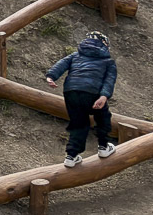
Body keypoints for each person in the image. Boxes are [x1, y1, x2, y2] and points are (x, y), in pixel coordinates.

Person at [45, 31, 118, 167]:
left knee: (78, 123)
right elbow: (109, 80)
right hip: (92, 92)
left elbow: (61, 64)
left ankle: (71, 156)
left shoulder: (75, 55)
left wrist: (51, 77)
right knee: (103, 118)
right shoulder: (108, 61)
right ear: (104, 44)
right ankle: (103, 147)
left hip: (71, 91)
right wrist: (103, 96)